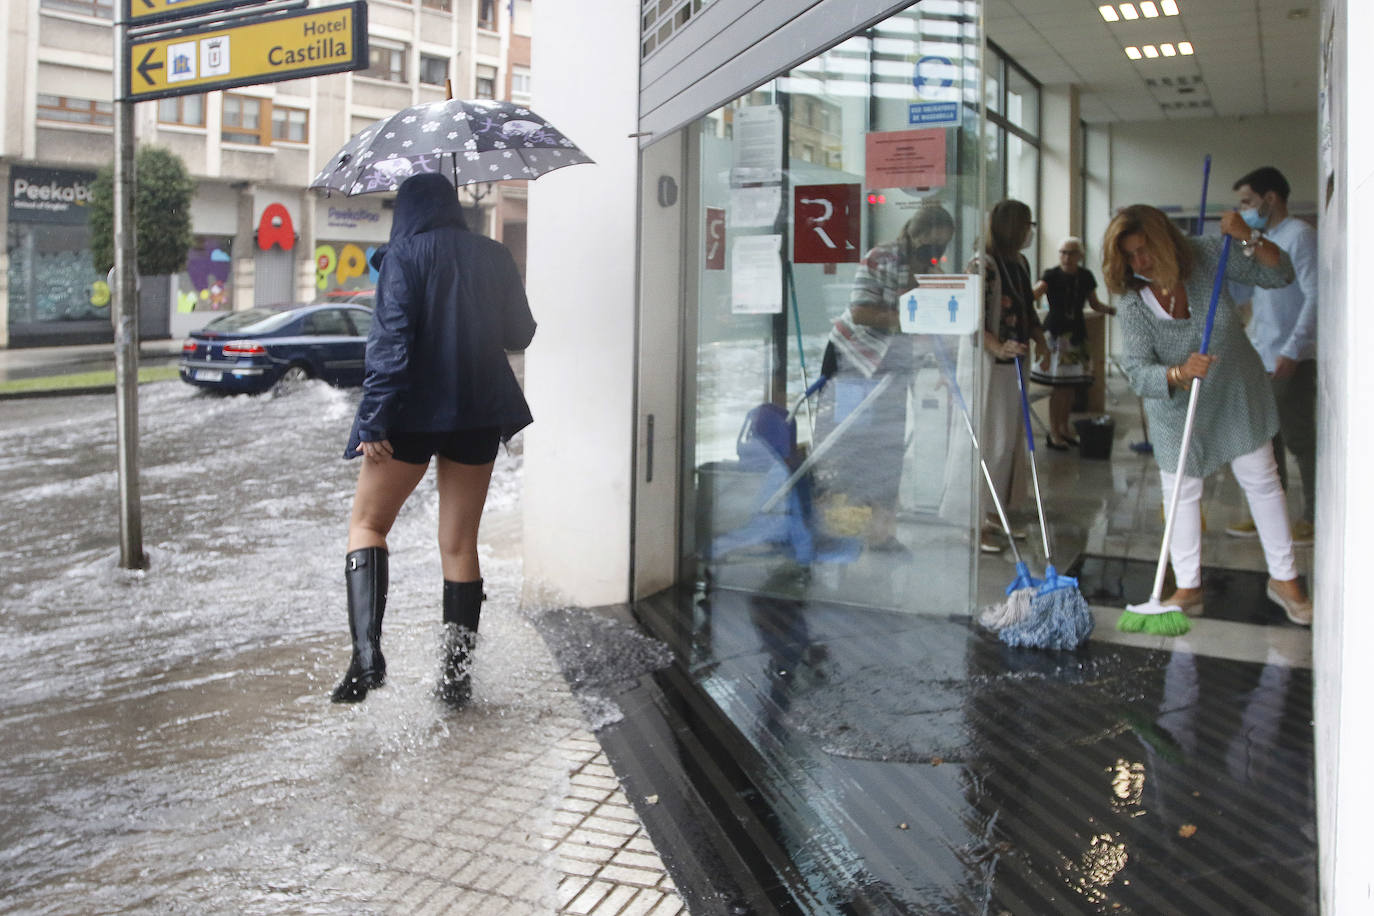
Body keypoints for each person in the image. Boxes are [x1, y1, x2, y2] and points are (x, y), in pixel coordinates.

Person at [331, 172, 537, 704]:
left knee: (367, 524)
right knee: (460, 544)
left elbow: (391, 343)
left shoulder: (403, 256)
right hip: (477, 411)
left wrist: (374, 420)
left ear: (407, 211)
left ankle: (367, 657)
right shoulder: (493, 255)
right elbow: (521, 334)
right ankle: (455, 679)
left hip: (407, 414)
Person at [1106, 204, 1312, 625]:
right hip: (1176, 406)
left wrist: (1248, 238)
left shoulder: (1205, 255)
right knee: (1181, 492)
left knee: (1263, 480)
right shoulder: (1133, 303)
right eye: (1129, 255)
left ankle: (1285, 579)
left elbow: (1280, 274)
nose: (1139, 262)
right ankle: (1188, 587)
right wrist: (1179, 373)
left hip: (1236, 390)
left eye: (1145, 249)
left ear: (1165, 241)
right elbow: (1139, 373)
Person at [821, 204, 955, 549]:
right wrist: (908, 316)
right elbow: (861, 311)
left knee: (889, 448)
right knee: (852, 444)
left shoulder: (932, 271)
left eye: (942, 246)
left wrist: (946, 366)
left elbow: (935, 323)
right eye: (930, 244)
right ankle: (842, 527)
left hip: (893, 364)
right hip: (853, 359)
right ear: (914, 234)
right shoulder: (881, 257)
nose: (935, 253)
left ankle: (882, 532)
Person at [1225, 166, 1318, 546]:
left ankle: (1313, 516)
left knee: (1298, 439)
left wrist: (1294, 349)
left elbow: (1315, 295)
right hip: (1262, 354)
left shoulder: (1300, 236)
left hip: (1290, 356)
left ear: (1270, 199)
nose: (1244, 209)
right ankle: (1270, 516)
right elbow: (1246, 296)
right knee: (1265, 441)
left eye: (1247, 201)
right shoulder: (1263, 241)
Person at [971, 199, 1049, 553]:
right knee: (992, 443)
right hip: (992, 365)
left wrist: (1040, 339)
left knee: (1009, 444)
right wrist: (997, 346)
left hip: (1015, 361)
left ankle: (994, 513)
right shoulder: (983, 265)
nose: (1031, 232)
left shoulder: (1019, 263)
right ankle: (975, 523)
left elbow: (1025, 307)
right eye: (1028, 225)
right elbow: (974, 320)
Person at [1030, 236, 1117, 449]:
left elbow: (1094, 303)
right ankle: (1054, 432)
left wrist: (1113, 311)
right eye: (1063, 252)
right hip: (1057, 334)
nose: (1066, 257)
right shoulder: (1051, 275)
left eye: (1071, 253)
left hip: (1076, 333)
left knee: (1070, 387)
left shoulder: (1085, 276)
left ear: (1079, 256)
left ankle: (1064, 428)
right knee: (1058, 387)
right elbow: (1034, 293)